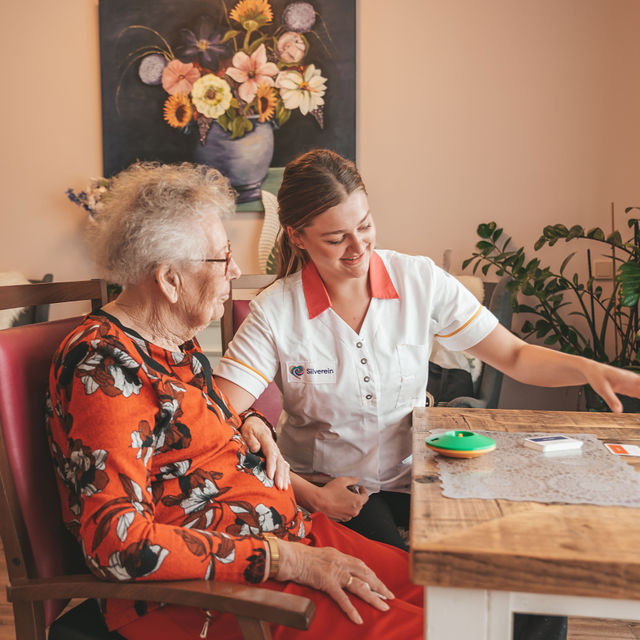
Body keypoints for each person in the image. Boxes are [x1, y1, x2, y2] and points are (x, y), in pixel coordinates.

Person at [214, 148, 640, 640]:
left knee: (529, 590)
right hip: (334, 491)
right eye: (336, 238)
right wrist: (305, 490)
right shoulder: (275, 310)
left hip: (423, 473)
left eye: (365, 226)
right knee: (411, 593)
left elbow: (516, 355)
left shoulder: (417, 279)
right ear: (297, 236)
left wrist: (590, 370)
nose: (358, 248)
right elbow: (217, 414)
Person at [46, 161, 424, 640]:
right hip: (217, 591)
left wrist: (248, 420)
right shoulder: (104, 365)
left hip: (292, 539)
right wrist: (285, 559)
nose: (237, 271)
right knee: (435, 628)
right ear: (168, 279)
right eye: (223, 258)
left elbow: (184, 425)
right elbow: (118, 543)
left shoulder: (173, 345)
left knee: (455, 596)